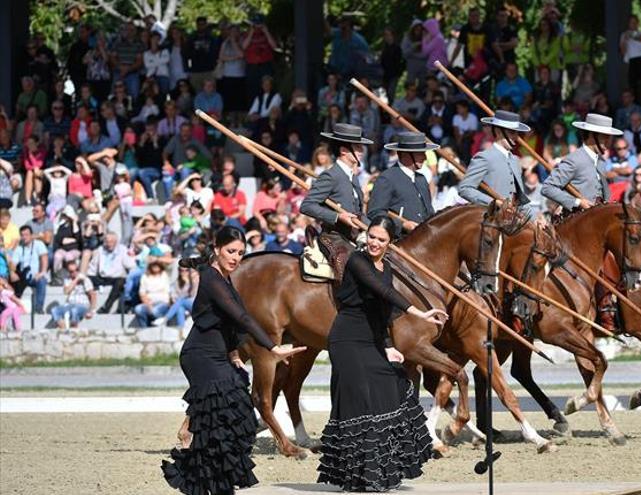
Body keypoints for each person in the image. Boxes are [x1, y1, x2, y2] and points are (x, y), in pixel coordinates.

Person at [162, 226, 304, 494]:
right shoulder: (211, 278)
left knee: (240, 412)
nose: (236, 257)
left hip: (219, 355)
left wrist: (234, 353)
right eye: (231, 251)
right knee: (218, 420)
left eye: (240, 252)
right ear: (216, 248)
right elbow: (242, 318)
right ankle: (200, 480)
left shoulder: (224, 279)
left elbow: (229, 325)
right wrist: (273, 347)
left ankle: (218, 482)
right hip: (200, 355)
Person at [316, 216, 443, 491]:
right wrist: (419, 312)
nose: (374, 242)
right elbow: (382, 292)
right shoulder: (357, 261)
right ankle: (358, 478)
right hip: (347, 340)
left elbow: (382, 312)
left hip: (371, 339)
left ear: (390, 243)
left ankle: (381, 473)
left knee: (395, 385)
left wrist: (388, 346)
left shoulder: (385, 268)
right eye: (371, 236)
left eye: (381, 239)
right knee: (361, 404)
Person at [301, 123, 371, 245]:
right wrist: (338, 217)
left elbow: (358, 213)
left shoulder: (353, 177)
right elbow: (307, 206)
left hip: (354, 237)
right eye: (357, 147)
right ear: (343, 150)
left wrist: (377, 229)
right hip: (335, 238)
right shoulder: (330, 176)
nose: (361, 150)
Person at [459, 110, 531, 216]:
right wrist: (493, 202)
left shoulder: (515, 160)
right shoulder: (484, 157)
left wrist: (535, 216)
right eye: (512, 132)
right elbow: (465, 189)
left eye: (517, 133)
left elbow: (521, 199)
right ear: (498, 131)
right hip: (490, 222)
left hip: (512, 222)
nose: (516, 137)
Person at [543, 113, 621, 211]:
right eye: (605, 137)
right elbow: (547, 187)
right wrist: (577, 202)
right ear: (592, 136)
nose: (609, 141)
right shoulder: (574, 159)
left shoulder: (601, 161)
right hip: (577, 220)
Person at [367, 132, 437, 231]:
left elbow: (429, 211)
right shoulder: (387, 178)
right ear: (406, 154)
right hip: (400, 240)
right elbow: (375, 212)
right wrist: (402, 224)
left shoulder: (422, 179)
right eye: (420, 153)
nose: (425, 158)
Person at [10, 225, 49, 314]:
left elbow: (44, 258)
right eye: (22, 235)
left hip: (36, 276)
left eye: (26, 235)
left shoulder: (39, 244)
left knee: (42, 281)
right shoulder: (19, 248)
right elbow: (13, 263)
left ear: (31, 235)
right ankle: (14, 308)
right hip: (23, 277)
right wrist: (12, 272)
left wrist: (42, 272)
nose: (24, 237)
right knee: (12, 279)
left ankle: (38, 308)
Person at [51, 259, 97, 330]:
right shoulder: (67, 280)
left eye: (76, 270)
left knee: (74, 310)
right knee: (55, 310)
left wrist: (91, 311)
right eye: (72, 271)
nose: (75, 273)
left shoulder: (85, 280)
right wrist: (76, 280)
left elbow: (93, 295)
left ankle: (74, 329)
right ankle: (63, 329)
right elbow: (66, 291)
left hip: (82, 305)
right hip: (70, 305)